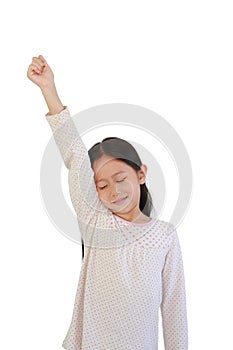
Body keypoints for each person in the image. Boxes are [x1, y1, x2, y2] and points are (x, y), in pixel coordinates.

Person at [27, 55, 188, 350]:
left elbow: (174, 308)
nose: (114, 190)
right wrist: (48, 89)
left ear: (141, 174)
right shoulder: (96, 221)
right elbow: (76, 156)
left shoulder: (165, 236)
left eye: (120, 178)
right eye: (101, 184)